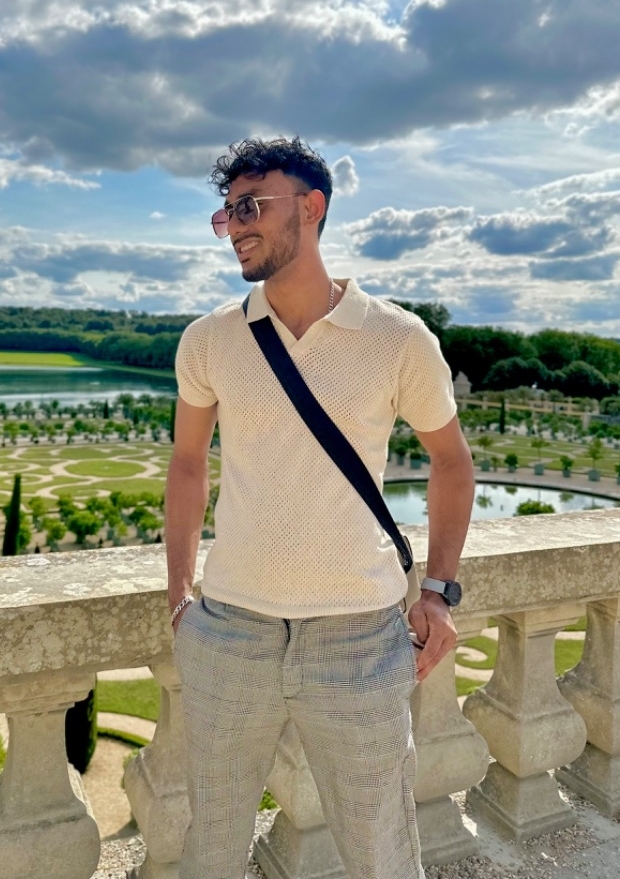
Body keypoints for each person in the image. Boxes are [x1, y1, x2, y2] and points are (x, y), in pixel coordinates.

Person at [165, 137, 474, 879]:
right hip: (229, 629)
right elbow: (186, 465)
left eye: (250, 207)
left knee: (382, 854)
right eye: (226, 213)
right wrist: (178, 595)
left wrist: (438, 590)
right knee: (210, 850)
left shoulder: (398, 339)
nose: (234, 227)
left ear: (311, 207)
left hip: (359, 636)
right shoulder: (208, 340)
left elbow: (453, 462)